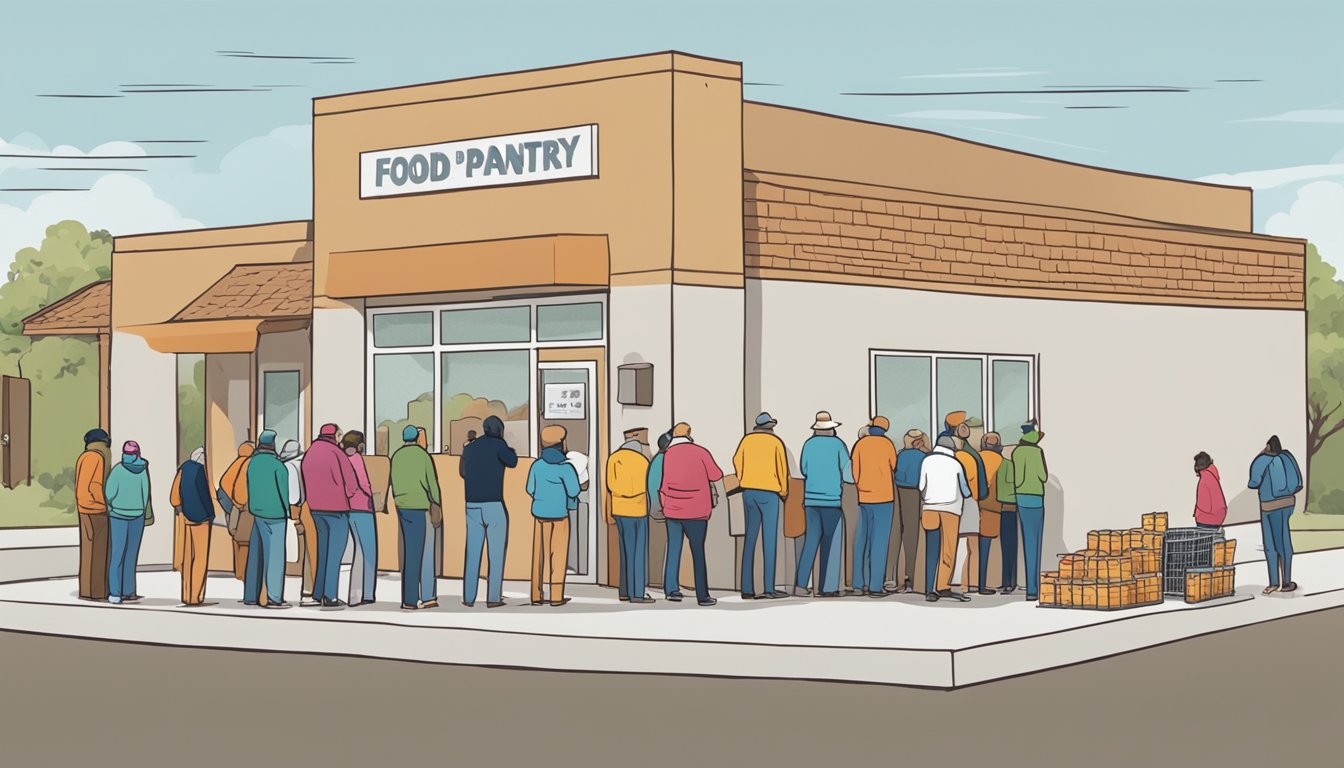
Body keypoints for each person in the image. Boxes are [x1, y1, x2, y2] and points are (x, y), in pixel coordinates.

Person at [660, 422, 724, 606]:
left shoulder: (668, 455)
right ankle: (702, 596)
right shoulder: (701, 452)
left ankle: (671, 590)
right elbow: (716, 474)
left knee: (673, 549)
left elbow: (664, 484)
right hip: (697, 511)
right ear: (689, 434)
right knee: (698, 552)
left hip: (673, 509)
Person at [459, 415, 518, 608]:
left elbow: (463, 472)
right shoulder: (499, 446)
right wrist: (508, 447)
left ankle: (468, 597)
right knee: (496, 553)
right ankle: (493, 598)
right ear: (499, 430)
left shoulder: (470, 448)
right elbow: (513, 462)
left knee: (472, 553)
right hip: (493, 504)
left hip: (472, 505)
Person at [732, 412, 790, 600]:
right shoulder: (775, 442)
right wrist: (783, 491)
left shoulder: (746, 441)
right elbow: (782, 468)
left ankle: (747, 588)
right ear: (771, 427)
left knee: (750, 540)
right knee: (769, 540)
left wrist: (743, 477)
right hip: (769, 493)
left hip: (749, 492)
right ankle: (768, 588)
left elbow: (736, 460)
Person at [796, 411, 852, 597]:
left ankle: (801, 585)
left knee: (810, 542)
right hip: (832, 501)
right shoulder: (838, 445)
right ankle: (827, 587)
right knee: (831, 544)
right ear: (832, 429)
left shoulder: (808, 444)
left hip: (811, 501)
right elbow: (848, 473)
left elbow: (803, 469)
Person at [301, 423, 356, 608]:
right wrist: (347, 494)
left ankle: (318, 592)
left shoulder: (310, 452)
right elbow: (351, 483)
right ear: (336, 435)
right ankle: (330, 596)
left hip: (316, 509)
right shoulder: (336, 453)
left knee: (322, 551)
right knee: (335, 553)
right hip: (337, 509)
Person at [527, 425, 582, 607]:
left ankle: (536, 594)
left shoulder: (536, 466)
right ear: (561, 444)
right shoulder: (566, 468)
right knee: (558, 556)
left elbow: (530, 489)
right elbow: (574, 491)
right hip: (560, 516)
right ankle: (556, 596)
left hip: (539, 515)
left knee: (539, 555)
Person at [390, 425, 442, 610]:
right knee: (426, 551)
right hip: (422, 507)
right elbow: (432, 483)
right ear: (418, 438)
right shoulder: (423, 456)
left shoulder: (395, 456)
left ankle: (409, 599)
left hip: (402, 507)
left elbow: (393, 482)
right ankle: (428, 596)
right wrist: (437, 502)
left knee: (409, 552)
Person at [920, 436, 972, 602]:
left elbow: (921, 486)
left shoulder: (926, 461)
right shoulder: (956, 464)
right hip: (951, 510)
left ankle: (929, 589)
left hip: (930, 508)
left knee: (931, 549)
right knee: (947, 551)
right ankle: (942, 586)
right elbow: (965, 490)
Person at [850, 415, 898, 598]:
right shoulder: (887, 445)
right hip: (884, 498)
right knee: (879, 542)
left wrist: (862, 485)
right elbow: (893, 466)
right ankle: (875, 586)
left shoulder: (860, 444)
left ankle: (857, 584)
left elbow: (854, 472)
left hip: (864, 497)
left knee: (861, 540)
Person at [1249, 435, 1302, 595]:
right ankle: (1286, 582)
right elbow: (1298, 482)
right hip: (1288, 503)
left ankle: (1273, 583)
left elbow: (1253, 482)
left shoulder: (1262, 460)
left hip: (1268, 506)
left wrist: (1261, 456)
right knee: (1284, 542)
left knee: (1270, 545)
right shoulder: (1287, 456)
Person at [244, 430, 291, 609]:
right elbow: (283, 492)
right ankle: (274, 597)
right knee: (275, 556)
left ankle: (250, 595)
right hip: (275, 515)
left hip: (257, 512)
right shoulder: (277, 465)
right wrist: (288, 511)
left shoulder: (253, 463)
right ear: (273, 444)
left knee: (256, 554)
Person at [607, 427, 654, 604]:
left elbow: (611, 484)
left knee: (625, 551)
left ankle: (624, 591)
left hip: (619, 509)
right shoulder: (642, 461)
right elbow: (646, 487)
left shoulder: (614, 458)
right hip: (638, 510)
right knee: (638, 552)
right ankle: (637, 594)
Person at [105, 440, 151, 605]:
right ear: (138, 454)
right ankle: (129, 591)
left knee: (117, 554)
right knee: (131, 555)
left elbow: (109, 493)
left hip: (117, 516)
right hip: (137, 516)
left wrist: (113, 505)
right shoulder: (142, 470)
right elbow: (145, 493)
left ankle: (115, 593)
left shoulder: (117, 470)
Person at [1012, 420, 1049, 601]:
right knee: (1036, 542)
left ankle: (1030, 590)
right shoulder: (1037, 451)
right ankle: (1035, 588)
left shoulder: (1017, 452)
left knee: (1027, 541)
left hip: (1021, 498)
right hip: (1036, 498)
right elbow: (1043, 476)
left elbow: (1017, 478)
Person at [889, 428, 928, 593]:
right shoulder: (924, 457)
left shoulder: (902, 455)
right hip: (916, 495)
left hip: (900, 494)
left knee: (898, 537)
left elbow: (899, 476)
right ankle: (911, 577)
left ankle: (895, 577)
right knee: (913, 538)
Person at [75, 428, 112, 602]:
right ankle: (98, 592)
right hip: (96, 510)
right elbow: (96, 485)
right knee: (99, 553)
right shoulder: (98, 457)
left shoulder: (83, 456)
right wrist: (106, 505)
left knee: (88, 551)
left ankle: (86, 590)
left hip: (83, 508)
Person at [175, 448, 215, 607]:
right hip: (201, 520)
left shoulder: (183, 469)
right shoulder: (200, 471)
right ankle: (196, 596)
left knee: (187, 558)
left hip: (185, 519)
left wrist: (180, 510)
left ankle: (186, 594)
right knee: (200, 558)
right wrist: (210, 514)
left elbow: (174, 495)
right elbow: (204, 496)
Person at [343, 431, 378, 606]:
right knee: (369, 551)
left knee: (358, 550)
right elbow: (364, 482)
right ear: (359, 444)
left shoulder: (341, 458)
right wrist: (373, 496)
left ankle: (354, 595)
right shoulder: (356, 458)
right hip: (363, 507)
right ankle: (367, 593)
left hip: (348, 508)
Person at [648, 431, 682, 600]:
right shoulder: (663, 460)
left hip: (661, 509)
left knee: (669, 548)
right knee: (670, 548)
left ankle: (669, 586)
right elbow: (655, 486)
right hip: (662, 511)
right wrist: (659, 508)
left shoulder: (658, 460)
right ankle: (669, 586)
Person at [279, 440, 312, 597]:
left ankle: (294, 569)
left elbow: (293, 494)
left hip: (295, 508)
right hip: (307, 507)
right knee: (305, 545)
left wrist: (293, 511)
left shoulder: (289, 466)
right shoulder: (304, 463)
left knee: (295, 542)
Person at [218, 442, 255, 582]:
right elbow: (241, 491)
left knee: (236, 539)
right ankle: (242, 572)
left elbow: (224, 485)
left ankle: (238, 571)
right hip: (238, 506)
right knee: (244, 540)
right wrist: (240, 505)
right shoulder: (246, 464)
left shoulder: (235, 463)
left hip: (229, 504)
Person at [974, 432, 1005, 596]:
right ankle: (982, 584)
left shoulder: (977, 457)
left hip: (974, 506)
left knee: (973, 548)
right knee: (986, 547)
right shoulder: (1001, 461)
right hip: (993, 507)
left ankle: (972, 583)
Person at [996, 444, 1020, 594]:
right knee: (1010, 547)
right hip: (1010, 508)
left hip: (1004, 509)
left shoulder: (1003, 465)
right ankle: (1009, 582)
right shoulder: (1009, 466)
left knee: (1007, 547)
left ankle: (1007, 582)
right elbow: (1009, 488)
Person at [1192, 451, 1228, 532]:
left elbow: (1205, 506)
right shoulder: (1213, 475)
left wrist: (1196, 511)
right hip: (1220, 516)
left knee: (1204, 540)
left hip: (1207, 519)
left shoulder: (1204, 480)